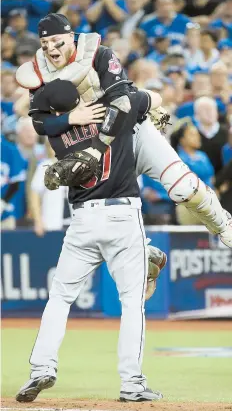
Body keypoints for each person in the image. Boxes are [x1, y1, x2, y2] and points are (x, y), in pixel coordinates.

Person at [16, 13, 232, 252]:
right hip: (94, 145)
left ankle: (222, 223)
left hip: (131, 131)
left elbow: (129, 100)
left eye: (56, 40)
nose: (50, 48)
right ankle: (147, 258)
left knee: (182, 187)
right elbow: (39, 123)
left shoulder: (98, 55)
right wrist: (71, 118)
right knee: (105, 215)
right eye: (44, 43)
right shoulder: (40, 73)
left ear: (71, 38)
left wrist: (150, 103)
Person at [16, 81, 165, 403]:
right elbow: (152, 98)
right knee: (131, 303)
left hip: (83, 220)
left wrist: (65, 115)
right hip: (123, 215)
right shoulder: (118, 111)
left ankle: (41, 367)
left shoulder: (56, 132)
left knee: (59, 298)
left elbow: (39, 116)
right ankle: (132, 383)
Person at [171, 121, 215, 225]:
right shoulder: (178, 158)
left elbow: (211, 177)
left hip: (209, 204)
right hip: (189, 207)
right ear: (182, 140)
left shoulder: (203, 156)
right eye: (192, 135)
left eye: (197, 134)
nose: (197, 137)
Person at [194, 96, 228, 174]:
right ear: (196, 115)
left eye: (212, 109)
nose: (209, 112)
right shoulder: (192, 135)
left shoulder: (227, 133)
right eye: (205, 110)